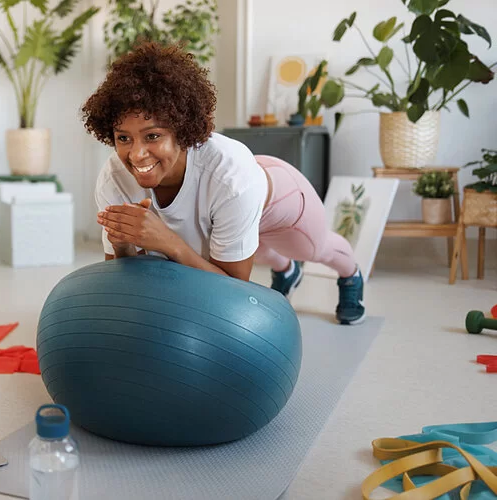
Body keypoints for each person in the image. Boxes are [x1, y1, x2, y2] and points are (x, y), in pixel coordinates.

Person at [80, 42, 365, 325]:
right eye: (123, 138)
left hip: (278, 196)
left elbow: (233, 291)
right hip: (233, 200)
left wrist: (168, 242)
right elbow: (126, 281)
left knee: (314, 249)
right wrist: (122, 246)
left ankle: (351, 276)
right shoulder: (114, 178)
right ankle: (287, 272)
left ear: (181, 130)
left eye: (152, 136)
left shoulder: (232, 178)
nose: (136, 154)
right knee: (252, 249)